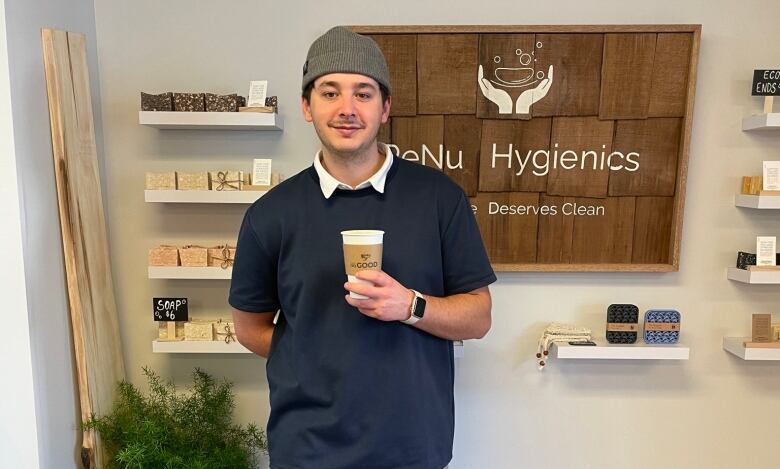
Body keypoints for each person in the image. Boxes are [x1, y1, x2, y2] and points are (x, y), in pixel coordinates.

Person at [229, 26, 496, 469]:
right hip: (307, 449)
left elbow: (479, 317)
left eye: (364, 93)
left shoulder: (437, 198)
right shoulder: (270, 214)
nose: (347, 109)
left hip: (410, 447)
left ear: (385, 107)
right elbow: (248, 327)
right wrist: (313, 355)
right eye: (330, 92)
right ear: (306, 106)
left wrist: (409, 304)